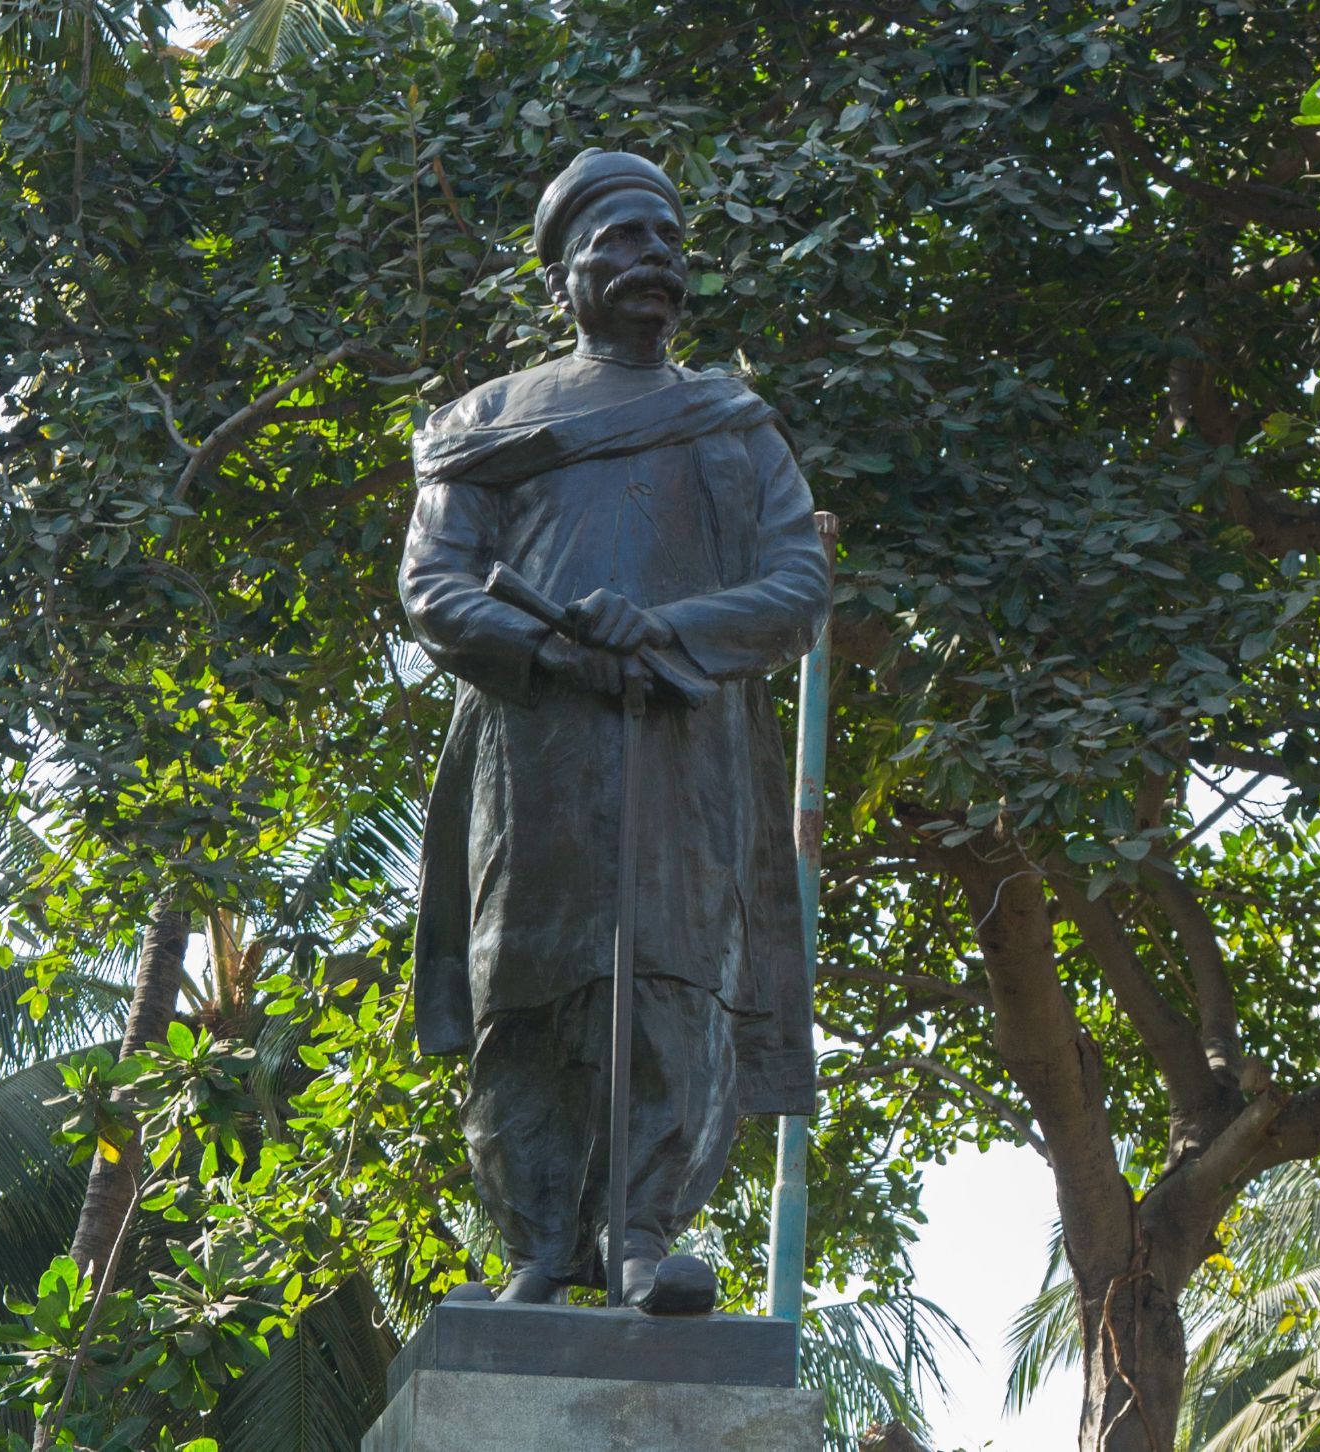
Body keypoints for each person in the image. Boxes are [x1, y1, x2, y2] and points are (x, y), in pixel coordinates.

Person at [399, 148, 826, 1313]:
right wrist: (550, 651)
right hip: (532, 757)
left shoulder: (734, 430)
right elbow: (434, 586)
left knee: (674, 984)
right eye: (623, 242)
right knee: (527, 988)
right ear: (566, 276)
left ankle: (642, 1234)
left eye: (668, 246)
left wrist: (665, 629)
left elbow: (797, 587)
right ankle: (536, 1247)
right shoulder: (484, 423)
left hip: (684, 752)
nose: (653, 264)